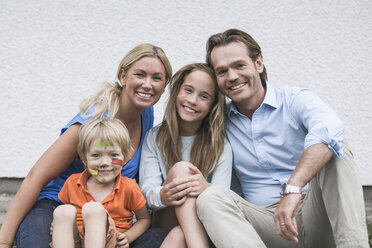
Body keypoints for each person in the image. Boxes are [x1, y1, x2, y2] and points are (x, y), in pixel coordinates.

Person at [196, 29, 369, 248]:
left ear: (258, 64)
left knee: (335, 148)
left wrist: (293, 189)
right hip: (266, 226)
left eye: (239, 65)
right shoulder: (219, 122)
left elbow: (330, 128)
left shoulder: (293, 100)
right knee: (210, 197)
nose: (231, 77)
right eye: (222, 71)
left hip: (318, 214)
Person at [0, 43, 172, 248]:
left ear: (164, 85)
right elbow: (35, 177)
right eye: (140, 75)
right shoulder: (91, 121)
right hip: (61, 206)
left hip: (108, 214)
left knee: (160, 239)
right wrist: (4, 241)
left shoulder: (145, 113)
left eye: (156, 78)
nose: (147, 84)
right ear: (123, 76)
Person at [139, 63, 232, 248]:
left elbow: (221, 200)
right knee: (182, 169)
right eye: (188, 90)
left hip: (202, 223)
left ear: (213, 105)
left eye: (204, 96)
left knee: (178, 235)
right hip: (164, 220)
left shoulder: (220, 145)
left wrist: (205, 188)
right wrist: (164, 195)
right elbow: (146, 192)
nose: (193, 100)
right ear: (177, 92)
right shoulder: (155, 138)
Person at [52, 118, 150, 248]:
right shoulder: (72, 183)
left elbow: (145, 219)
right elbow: (66, 218)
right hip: (76, 241)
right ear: (84, 158)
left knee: (93, 209)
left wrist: (128, 236)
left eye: (113, 155)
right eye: (96, 155)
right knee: (62, 211)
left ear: (125, 157)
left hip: (110, 241)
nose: (105, 162)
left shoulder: (129, 187)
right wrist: (58, 223)